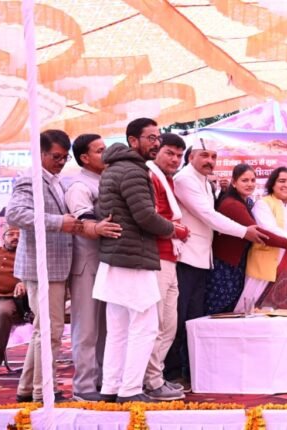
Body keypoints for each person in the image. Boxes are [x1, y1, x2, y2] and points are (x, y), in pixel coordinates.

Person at [168, 138, 267, 386]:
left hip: (203, 259)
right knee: (178, 320)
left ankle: (192, 371)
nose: (210, 161)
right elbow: (208, 215)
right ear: (191, 157)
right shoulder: (184, 179)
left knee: (194, 319)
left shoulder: (204, 181)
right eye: (204, 155)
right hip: (186, 258)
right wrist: (244, 232)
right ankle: (171, 373)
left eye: (213, 156)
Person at [93, 118, 177, 403]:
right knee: (145, 326)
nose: (156, 143)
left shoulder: (113, 168)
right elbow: (144, 216)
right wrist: (172, 229)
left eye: (158, 137)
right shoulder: (133, 170)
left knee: (118, 329)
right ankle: (130, 390)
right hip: (133, 258)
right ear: (132, 140)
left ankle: (111, 388)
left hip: (117, 256)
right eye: (151, 138)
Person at [7, 130, 78, 402]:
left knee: (43, 329)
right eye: (56, 157)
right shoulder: (31, 179)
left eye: (64, 157)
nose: (60, 162)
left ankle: (28, 388)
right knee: (50, 331)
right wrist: (59, 222)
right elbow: (16, 214)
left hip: (54, 265)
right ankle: (44, 391)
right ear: (40, 154)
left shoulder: (55, 180)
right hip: (42, 267)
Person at [63, 133, 111, 401]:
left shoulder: (106, 180)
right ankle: (83, 386)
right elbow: (84, 222)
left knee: (106, 326)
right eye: (100, 150)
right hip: (86, 264)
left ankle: (104, 380)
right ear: (84, 157)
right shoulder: (79, 186)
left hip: (107, 262)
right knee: (87, 328)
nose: (106, 153)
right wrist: (99, 227)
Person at [143, 133, 189, 400]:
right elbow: (152, 217)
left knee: (168, 325)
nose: (175, 159)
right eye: (169, 153)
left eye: (179, 155)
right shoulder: (150, 175)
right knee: (157, 323)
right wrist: (178, 231)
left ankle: (155, 377)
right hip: (156, 257)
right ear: (156, 152)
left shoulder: (168, 179)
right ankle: (150, 380)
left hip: (171, 257)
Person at [239, 167, 287, 310]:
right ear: (272, 184)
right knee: (259, 312)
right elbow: (267, 229)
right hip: (268, 266)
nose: (286, 185)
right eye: (282, 181)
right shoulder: (263, 203)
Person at [207, 164, 268, 314]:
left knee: (233, 307)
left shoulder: (248, 202)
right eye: (244, 180)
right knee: (219, 306)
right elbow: (258, 232)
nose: (250, 184)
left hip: (238, 262)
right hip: (225, 264)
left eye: (252, 180)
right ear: (234, 182)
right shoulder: (232, 204)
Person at [0, 225, 25, 377]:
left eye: (19, 234)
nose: (15, 237)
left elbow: (35, 275)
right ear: (3, 237)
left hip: (5, 298)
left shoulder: (28, 256)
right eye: (11, 234)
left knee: (3, 312)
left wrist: (25, 282)